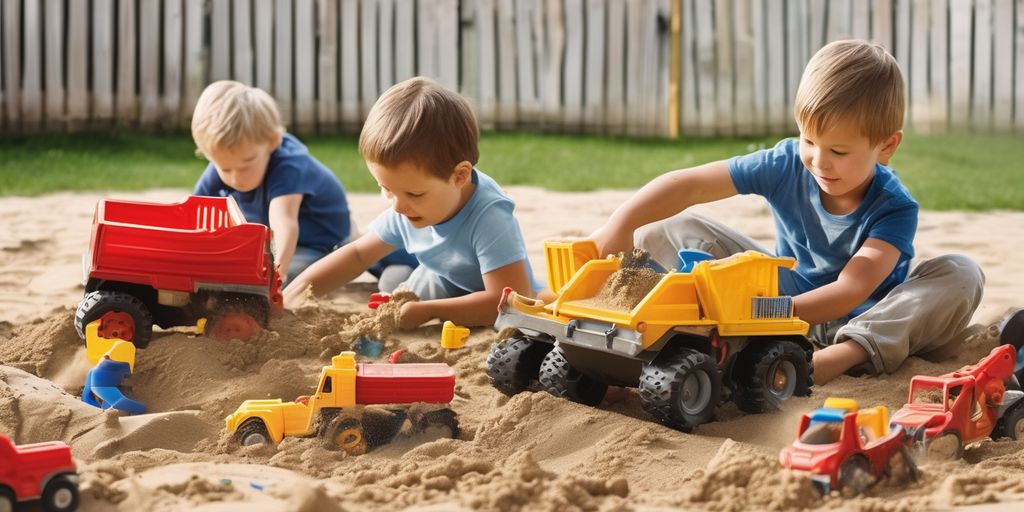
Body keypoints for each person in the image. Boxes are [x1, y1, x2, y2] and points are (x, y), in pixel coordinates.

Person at [590, 40, 985, 385]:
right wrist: (621, 221)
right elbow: (692, 184)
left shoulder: (894, 207)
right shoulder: (786, 164)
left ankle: (845, 356)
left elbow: (851, 290)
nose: (819, 161)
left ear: (886, 146)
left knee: (962, 273)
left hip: (868, 316)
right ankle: (696, 321)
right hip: (786, 298)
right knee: (666, 226)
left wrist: (764, 311)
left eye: (839, 152)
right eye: (809, 140)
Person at [283, 77, 538, 328]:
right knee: (399, 293)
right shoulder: (408, 203)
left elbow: (509, 303)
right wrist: (294, 293)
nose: (397, 206)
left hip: (489, 298)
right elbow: (357, 255)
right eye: (386, 189)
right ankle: (398, 277)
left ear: (460, 175)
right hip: (441, 279)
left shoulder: (490, 217)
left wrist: (429, 311)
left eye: (414, 194)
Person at [190, 80, 416, 286]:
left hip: (324, 241)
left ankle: (403, 262)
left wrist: (278, 274)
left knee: (288, 279)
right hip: (280, 243)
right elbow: (193, 211)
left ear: (273, 142)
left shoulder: (289, 164)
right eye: (224, 168)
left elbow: (284, 223)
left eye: (247, 163)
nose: (235, 177)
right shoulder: (226, 161)